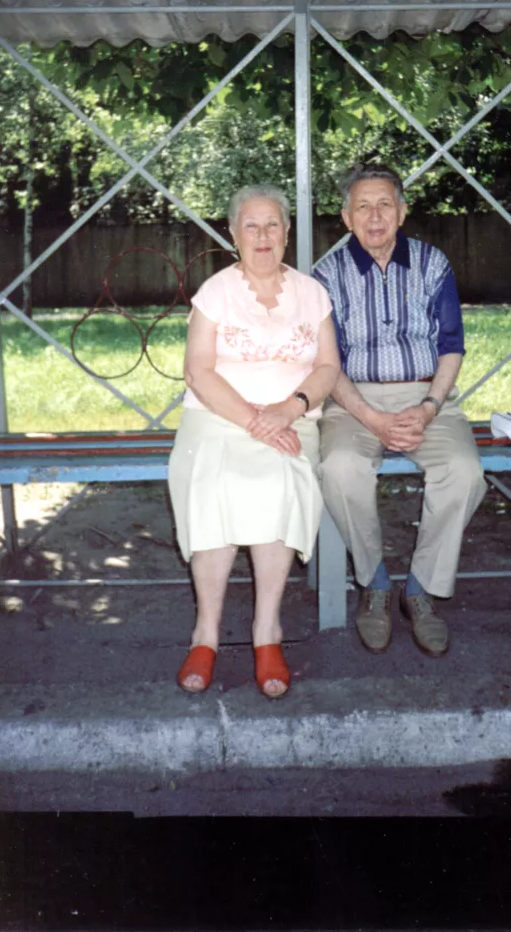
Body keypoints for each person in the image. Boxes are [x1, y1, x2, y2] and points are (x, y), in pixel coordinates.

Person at [168, 184, 339, 698]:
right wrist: (253, 420)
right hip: (218, 418)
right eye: (251, 226)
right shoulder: (215, 293)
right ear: (233, 234)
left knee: (276, 480)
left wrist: (289, 410)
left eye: (273, 226)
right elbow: (197, 371)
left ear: (287, 234)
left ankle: (268, 631)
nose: (263, 236)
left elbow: (329, 366)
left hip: (291, 419)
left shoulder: (312, 293)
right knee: (212, 482)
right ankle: (206, 633)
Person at [314, 165, 486, 657]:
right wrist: (372, 418)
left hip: (427, 396)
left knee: (464, 470)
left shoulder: (433, 264)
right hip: (352, 400)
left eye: (385, 204)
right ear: (346, 217)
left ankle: (420, 589)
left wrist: (430, 407)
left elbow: (452, 346)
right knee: (341, 468)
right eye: (363, 206)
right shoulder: (326, 275)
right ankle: (374, 582)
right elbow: (327, 363)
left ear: (402, 211)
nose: (375, 216)